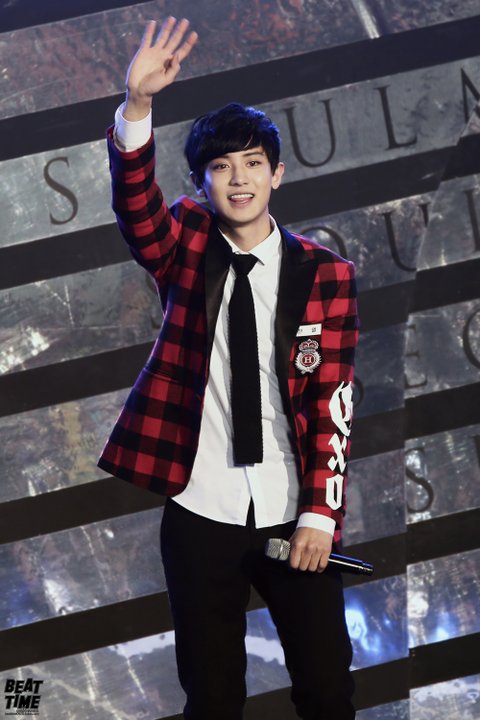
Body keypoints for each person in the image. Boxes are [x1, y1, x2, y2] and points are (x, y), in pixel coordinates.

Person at [98, 16, 359, 720]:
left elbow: (332, 400)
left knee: (328, 691)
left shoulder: (326, 274)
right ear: (201, 182)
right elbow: (136, 208)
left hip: (293, 513)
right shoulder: (183, 243)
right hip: (200, 509)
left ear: (277, 173)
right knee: (212, 700)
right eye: (220, 166)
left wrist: (320, 516)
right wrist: (138, 105)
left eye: (251, 163)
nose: (238, 179)